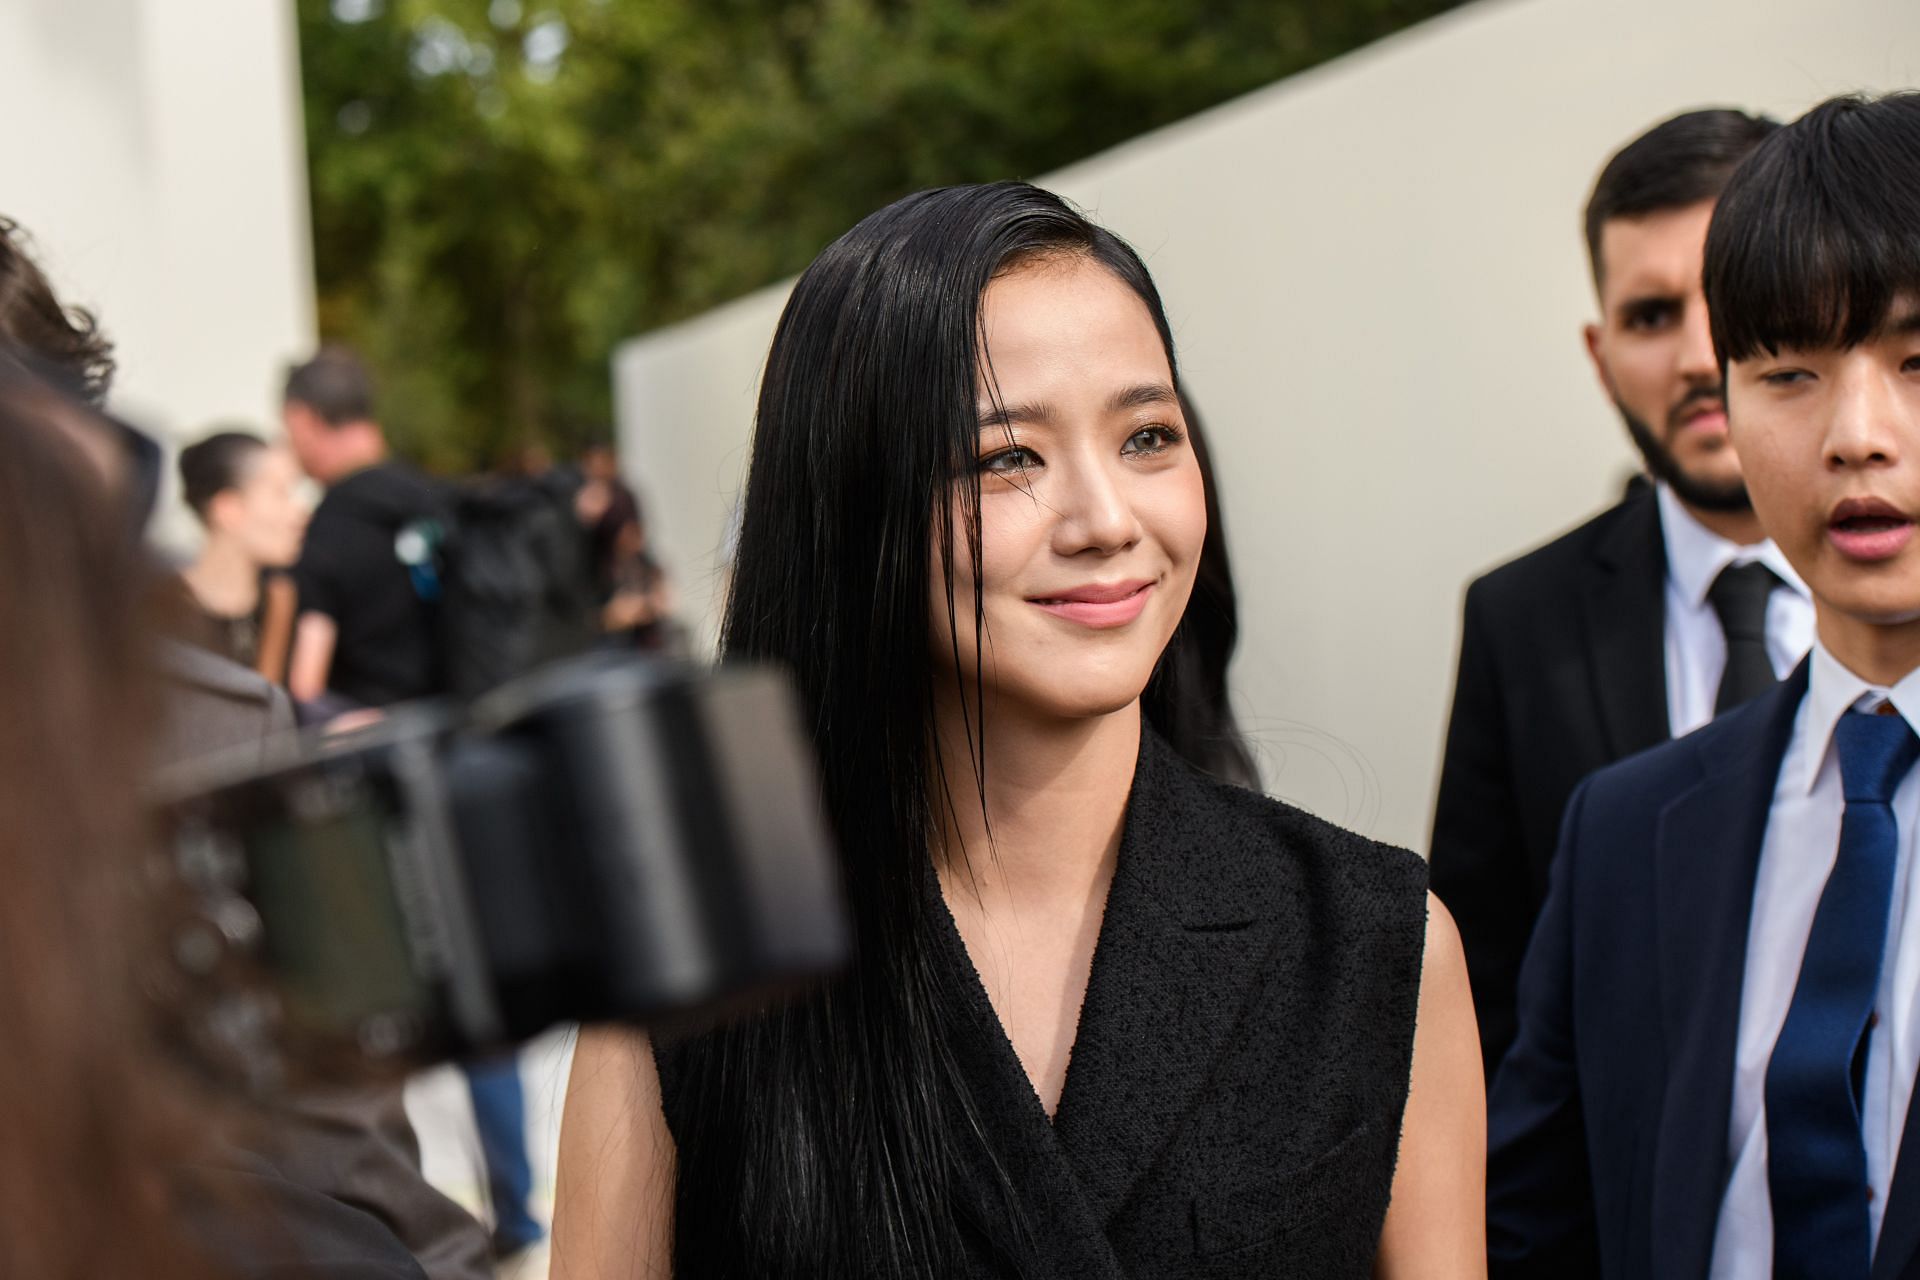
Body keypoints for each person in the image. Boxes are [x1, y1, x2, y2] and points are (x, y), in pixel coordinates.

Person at [552, 181, 1482, 1278]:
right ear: (855, 505)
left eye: (1147, 436)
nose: (1107, 520)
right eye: (1007, 457)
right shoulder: (694, 970)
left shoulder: (1375, 940)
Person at [0, 218, 493, 1280]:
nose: (293, 506)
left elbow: (346, 1150)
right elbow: (347, 1157)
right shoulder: (220, 707)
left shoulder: (234, 696)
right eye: (272, 491)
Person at [1488, 91, 1920, 1280]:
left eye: (1916, 358)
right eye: (1787, 372)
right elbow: (1537, 1221)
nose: (1857, 434)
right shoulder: (1625, 829)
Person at [1429, 107, 1810, 1077]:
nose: (1697, 356)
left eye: (1731, 296)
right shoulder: (1518, 623)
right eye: (1651, 316)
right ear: (1601, 359)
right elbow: (1483, 1000)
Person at [282, 346, 442, 713]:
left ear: (303, 420)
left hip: (378, 750)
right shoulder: (430, 499)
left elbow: (307, 688)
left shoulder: (326, 529)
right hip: (460, 734)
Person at [171, 429, 306, 680]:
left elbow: (268, 709)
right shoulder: (162, 608)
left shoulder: (279, 599)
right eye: (281, 494)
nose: (299, 513)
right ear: (228, 509)